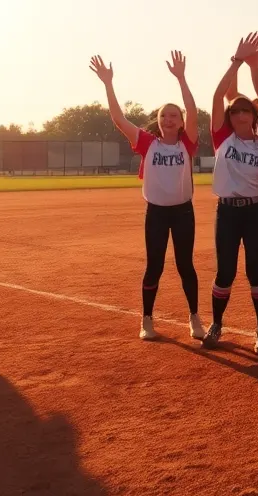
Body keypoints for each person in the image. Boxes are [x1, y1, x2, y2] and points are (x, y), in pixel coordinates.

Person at [91, 52, 205, 342]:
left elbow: (193, 111)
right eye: (164, 115)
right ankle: (147, 319)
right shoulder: (147, 142)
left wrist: (181, 78)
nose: (169, 119)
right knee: (154, 265)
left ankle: (194, 317)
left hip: (183, 212)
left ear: (181, 122)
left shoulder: (187, 144)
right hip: (156, 212)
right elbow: (118, 118)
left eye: (174, 116)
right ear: (158, 120)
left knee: (185, 265)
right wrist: (108, 83)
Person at [204, 33, 258, 354]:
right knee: (225, 271)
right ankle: (217, 324)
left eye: (245, 111)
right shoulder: (222, 138)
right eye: (234, 112)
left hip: (256, 211)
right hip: (228, 211)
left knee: (255, 271)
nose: (239, 116)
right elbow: (219, 94)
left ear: (254, 115)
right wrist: (235, 60)